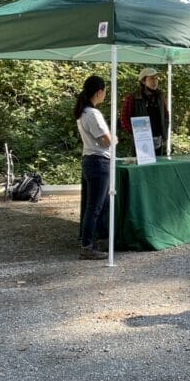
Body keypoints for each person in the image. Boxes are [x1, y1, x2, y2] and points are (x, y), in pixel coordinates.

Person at [74, 75, 113, 260]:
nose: (105, 94)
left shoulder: (84, 112)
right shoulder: (92, 114)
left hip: (91, 160)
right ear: (99, 92)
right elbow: (107, 140)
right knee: (94, 206)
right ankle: (87, 246)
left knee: (100, 204)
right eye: (104, 91)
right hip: (98, 161)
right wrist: (113, 139)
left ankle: (95, 240)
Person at [120, 67, 170, 156]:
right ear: (143, 81)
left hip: (158, 140)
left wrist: (164, 133)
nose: (155, 81)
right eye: (151, 78)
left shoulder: (160, 96)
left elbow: (166, 115)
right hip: (141, 142)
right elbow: (124, 119)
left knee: (157, 167)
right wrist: (136, 133)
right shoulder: (133, 97)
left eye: (156, 78)